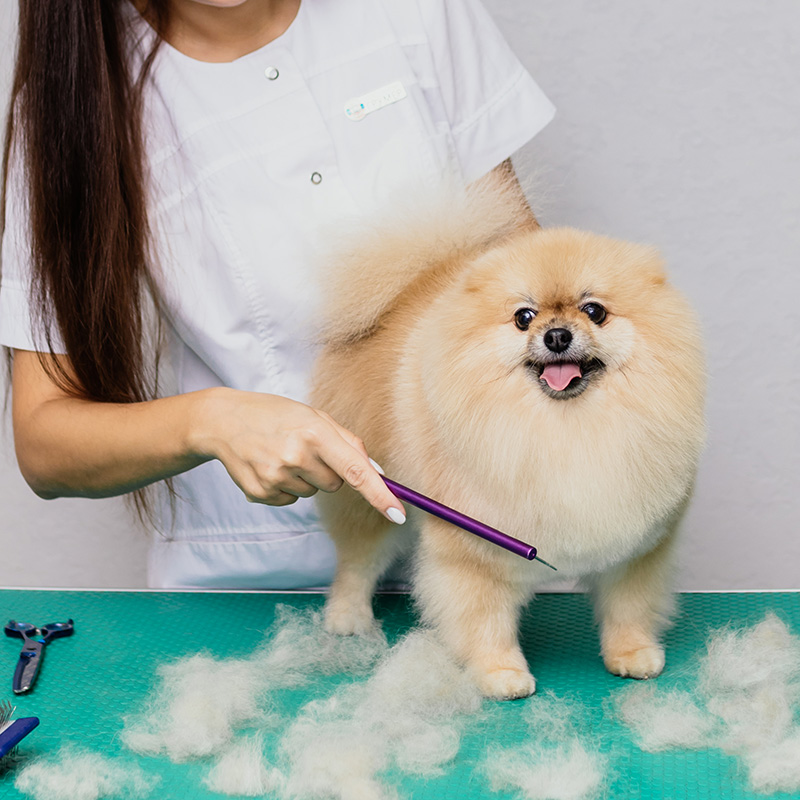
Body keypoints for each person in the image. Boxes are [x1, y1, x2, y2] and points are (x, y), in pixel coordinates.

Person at [0, 0, 554, 589]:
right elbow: (45, 443)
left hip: (483, 549)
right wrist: (209, 421)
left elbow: (531, 295)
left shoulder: (416, 11)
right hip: (250, 581)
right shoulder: (77, 97)